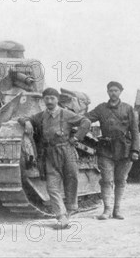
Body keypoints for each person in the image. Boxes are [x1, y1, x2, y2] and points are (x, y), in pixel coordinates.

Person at [18, 87, 91, 229]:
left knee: (71, 180)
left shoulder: (66, 114)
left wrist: (76, 137)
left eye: (52, 98)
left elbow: (86, 122)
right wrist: (26, 122)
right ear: (43, 100)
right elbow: (22, 118)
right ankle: (61, 216)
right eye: (47, 98)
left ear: (57, 99)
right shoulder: (40, 116)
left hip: (66, 151)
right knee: (52, 187)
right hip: (50, 153)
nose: (49, 101)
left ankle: (70, 209)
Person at [85, 81, 139, 220]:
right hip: (106, 149)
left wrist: (135, 150)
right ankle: (107, 210)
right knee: (107, 180)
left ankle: (117, 210)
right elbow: (85, 119)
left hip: (124, 149)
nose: (113, 93)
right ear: (107, 92)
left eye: (116, 90)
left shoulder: (128, 108)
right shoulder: (101, 108)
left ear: (120, 91)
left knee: (121, 180)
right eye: (110, 90)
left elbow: (134, 130)